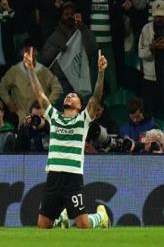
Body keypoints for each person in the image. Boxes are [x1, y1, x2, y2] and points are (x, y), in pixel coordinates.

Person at [24, 47, 110, 229]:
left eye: (74, 96)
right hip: (54, 176)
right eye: (68, 95)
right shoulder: (54, 117)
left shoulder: (83, 119)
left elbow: (96, 97)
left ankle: (101, 217)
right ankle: (60, 219)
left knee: (83, 224)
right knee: (43, 226)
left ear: (80, 106)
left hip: (72, 177)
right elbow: (39, 94)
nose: (70, 96)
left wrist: (101, 73)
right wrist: (30, 69)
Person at [0, 43, 62, 125]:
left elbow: (57, 87)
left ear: (36, 52)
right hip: (21, 114)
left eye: (29, 50)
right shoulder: (14, 70)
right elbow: (2, 86)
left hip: (40, 113)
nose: (27, 53)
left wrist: (48, 104)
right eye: (25, 50)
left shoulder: (43, 71)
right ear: (21, 52)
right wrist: (8, 101)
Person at [138, 0, 164, 116]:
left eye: (161, 16)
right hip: (150, 79)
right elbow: (141, 54)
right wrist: (152, 48)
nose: (159, 19)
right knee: (150, 112)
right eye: (157, 16)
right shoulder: (146, 29)